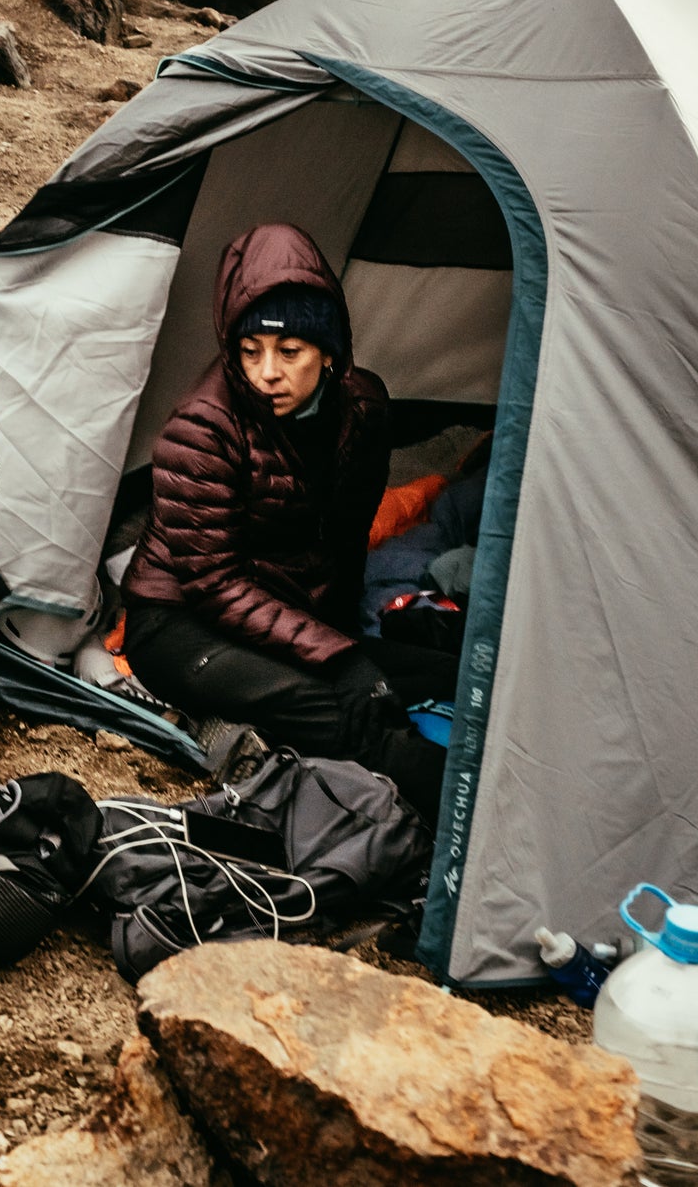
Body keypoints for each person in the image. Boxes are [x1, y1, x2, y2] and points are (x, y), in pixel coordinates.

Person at [121, 222, 452, 812]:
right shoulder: (201, 429)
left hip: (289, 615)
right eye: (250, 352)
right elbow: (214, 584)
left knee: (446, 676)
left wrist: (344, 642)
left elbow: (347, 538)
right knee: (345, 717)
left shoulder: (365, 409)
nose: (266, 372)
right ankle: (469, 811)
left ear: (329, 353)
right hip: (181, 622)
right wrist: (340, 659)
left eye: (289, 352)